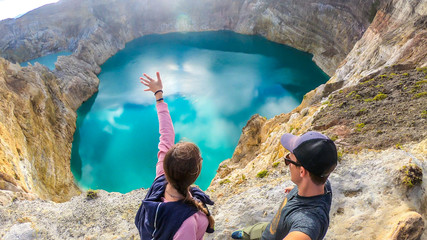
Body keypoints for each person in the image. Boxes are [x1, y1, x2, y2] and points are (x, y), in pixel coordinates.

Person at [135, 72, 215, 240]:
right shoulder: (186, 223)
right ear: (196, 174)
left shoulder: (161, 177)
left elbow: (166, 136)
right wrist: (159, 94)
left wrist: (159, 95)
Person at [232, 131, 338, 240]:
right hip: (273, 229)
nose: (288, 165)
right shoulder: (322, 183)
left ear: (302, 172)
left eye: (288, 160)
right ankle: (249, 234)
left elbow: (303, 232)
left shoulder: (306, 223)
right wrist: (298, 188)